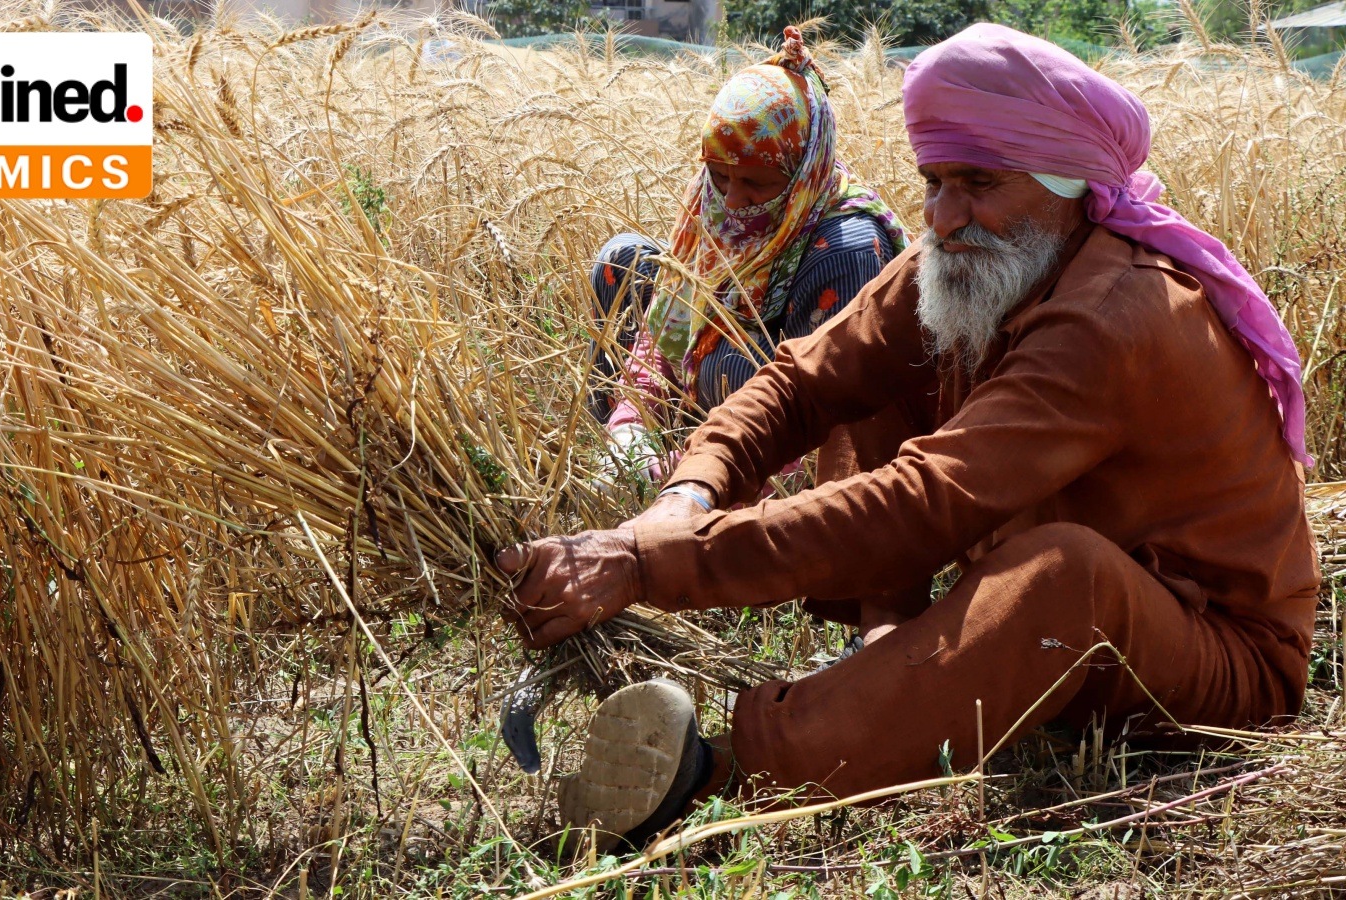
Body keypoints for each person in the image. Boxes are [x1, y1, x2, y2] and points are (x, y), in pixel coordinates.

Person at [499, 24, 1321, 850]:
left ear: (1066, 183)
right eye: (933, 181)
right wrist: (688, 493)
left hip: (1215, 656)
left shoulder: (1116, 316)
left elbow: (924, 501)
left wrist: (649, 565)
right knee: (877, 376)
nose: (944, 214)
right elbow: (805, 379)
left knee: (1064, 579)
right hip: (1042, 565)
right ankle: (886, 644)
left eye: (977, 183)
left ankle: (726, 766)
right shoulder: (979, 255)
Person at [587, 26, 906, 488]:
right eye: (719, 175)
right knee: (623, 261)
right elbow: (669, 320)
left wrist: (687, 473)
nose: (732, 201)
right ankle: (619, 461)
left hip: (770, 446)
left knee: (725, 355)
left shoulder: (846, 247)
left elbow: (823, 427)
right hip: (702, 408)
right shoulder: (713, 196)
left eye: (756, 183)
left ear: (802, 171)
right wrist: (631, 421)